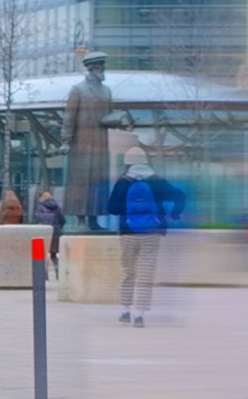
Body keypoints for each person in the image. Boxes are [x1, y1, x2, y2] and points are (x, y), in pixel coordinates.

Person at [106, 147, 185, 328]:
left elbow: (112, 208)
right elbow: (180, 195)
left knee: (128, 272)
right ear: (145, 161)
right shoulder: (156, 180)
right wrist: (174, 214)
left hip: (128, 232)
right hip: (152, 232)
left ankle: (125, 312)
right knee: (145, 274)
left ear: (127, 162)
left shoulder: (123, 182)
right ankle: (139, 315)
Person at [61, 51, 114, 230]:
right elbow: (69, 116)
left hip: (101, 143)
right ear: (91, 68)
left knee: (98, 182)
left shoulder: (107, 91)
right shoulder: (78, 89)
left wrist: (120, 120)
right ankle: (81, 220)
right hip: (82, 144)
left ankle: (94, 219)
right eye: (100, 66)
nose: (103, 69)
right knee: (81, 182)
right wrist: (66, 140)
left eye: (103, 66)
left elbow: (109, 114)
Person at [34, 189, 66, 276]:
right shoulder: (57, 207)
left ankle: (45, 275)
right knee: (54, 255)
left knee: (43, 255)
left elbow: (37, 219)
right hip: (56, 233)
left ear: (41, 198)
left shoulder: (40, 207)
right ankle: (57, 271)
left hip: (43, 233)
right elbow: (63, 220)